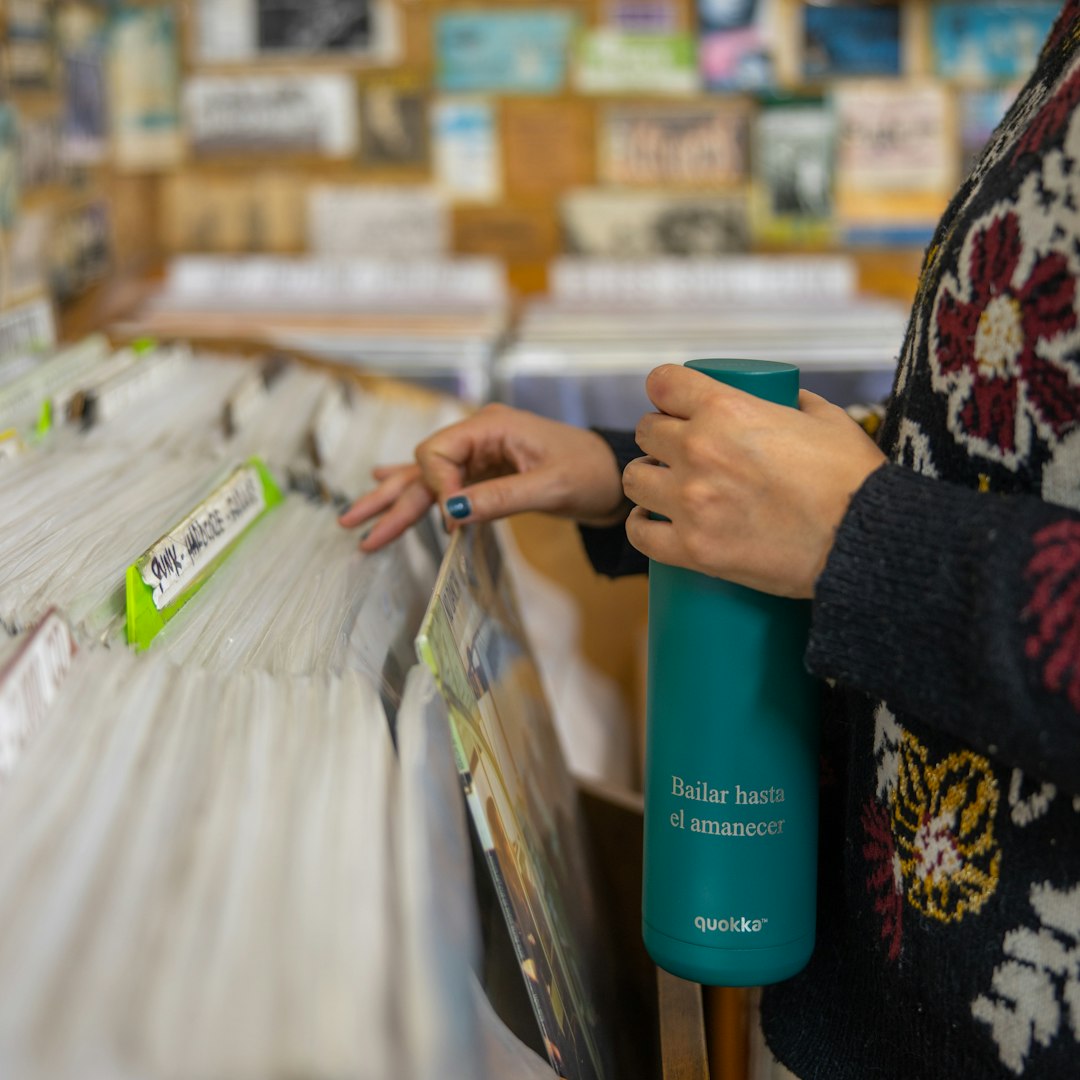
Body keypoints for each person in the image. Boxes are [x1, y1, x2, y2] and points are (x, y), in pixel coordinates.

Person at [340, 6, 1080, 1077]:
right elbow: (994, 462)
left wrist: (863, 540)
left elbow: (902, 521)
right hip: (896, 993)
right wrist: (631, 479)